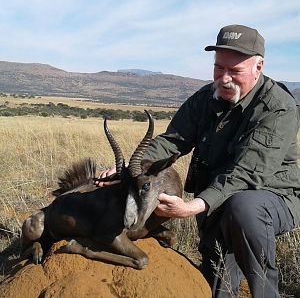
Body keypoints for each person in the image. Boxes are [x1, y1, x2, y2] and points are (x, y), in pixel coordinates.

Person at [96, 24, 300, 297]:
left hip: (269, 197)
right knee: (218, 284)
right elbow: (173, 141)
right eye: (218, 68)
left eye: (235, 71)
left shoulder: (278, 107)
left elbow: (247, 174)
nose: (224, 79)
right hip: (218, 195)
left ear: (258, 67)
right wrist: (130, 169)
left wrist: (194, 206)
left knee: (243, 208)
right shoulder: (206, 98)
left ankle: (265, 291)